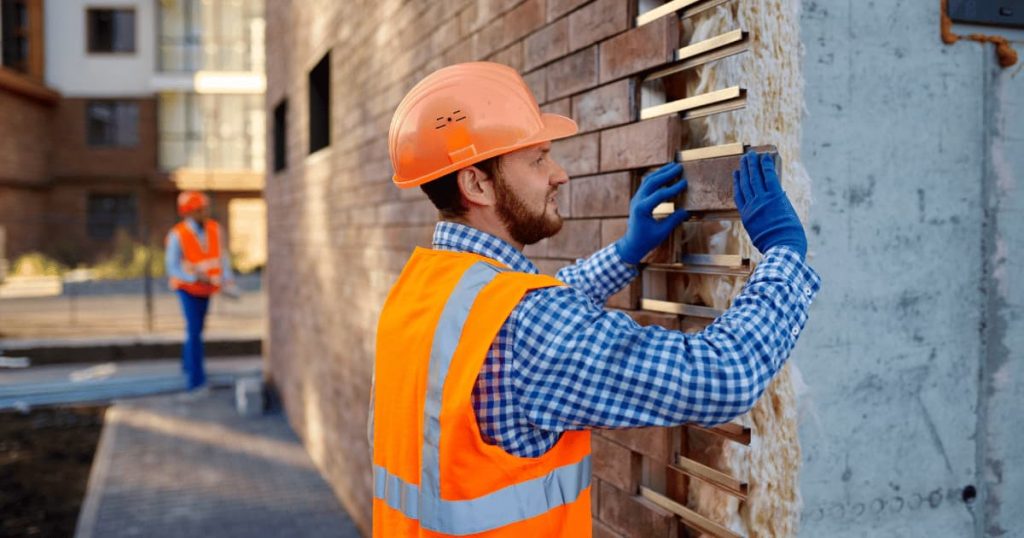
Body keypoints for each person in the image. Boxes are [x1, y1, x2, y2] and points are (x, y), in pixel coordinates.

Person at [370, 62, 820, 536]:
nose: (559, 174)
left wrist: (627, 252)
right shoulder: (528, 324)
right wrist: (784, 256)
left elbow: (524, 316)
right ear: (476, 183)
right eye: (538, 158)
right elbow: (721, 378)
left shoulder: (420, 292)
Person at [165, 191, 234, 392]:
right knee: (194, 330)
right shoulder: (178, 234)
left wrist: (227, 278)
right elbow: (172, 267)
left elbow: (222, 257)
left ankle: (188, 366)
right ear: (189, 212)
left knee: (197, 330)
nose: (205, 212)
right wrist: (194, 278)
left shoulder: (214, 229)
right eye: (201, 209)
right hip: (187, 289)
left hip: (207, 288)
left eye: (205, 208)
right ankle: (195, 379)